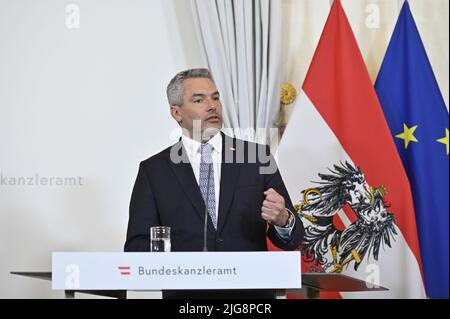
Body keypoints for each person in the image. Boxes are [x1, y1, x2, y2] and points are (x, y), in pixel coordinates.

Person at [124, 68, 305, 299]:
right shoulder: (154, 171)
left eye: (215, 97)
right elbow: (136, 247)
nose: (212, 105)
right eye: (199, 99)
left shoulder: (257, 158)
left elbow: (295, 237)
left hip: (251, 298)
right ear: (176, 113)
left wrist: (283, 219)